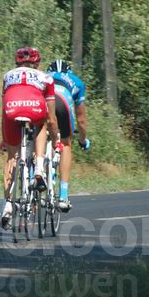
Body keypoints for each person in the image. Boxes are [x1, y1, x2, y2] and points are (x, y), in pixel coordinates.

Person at [0, 47, 61, 228]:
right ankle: (39, 170)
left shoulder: (7, 76)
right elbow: (51, 118)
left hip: (11, 109)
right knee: (42, 123)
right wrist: (56, 138)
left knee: (11, 157)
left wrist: (5, 137)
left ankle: (8, 206)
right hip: (34, 107)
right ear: (38, 63)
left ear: (16, 63)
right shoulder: (46, 78)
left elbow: (3, 108)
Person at [46, 59, 89, 211]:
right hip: (63, 103)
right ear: (68, 72)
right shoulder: (76, 81)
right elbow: (81, 120)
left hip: (44, 102)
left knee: (37, 137)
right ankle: (63, 196)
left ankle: (34, 176)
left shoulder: (43, 75)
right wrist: (83, 140)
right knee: (65, 144)